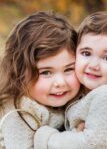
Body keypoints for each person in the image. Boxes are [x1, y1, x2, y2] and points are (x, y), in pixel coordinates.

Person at [34, 11, 107, 149]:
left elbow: (92, 145)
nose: (94, 65)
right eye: (86, 53)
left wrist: (46, 137)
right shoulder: (81, 88)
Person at [0, 11, 81, 149]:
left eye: (69, 69)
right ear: (19, 73)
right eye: (46, 72)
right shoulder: (20, 111)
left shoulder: (76, 97)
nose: (61, 82)